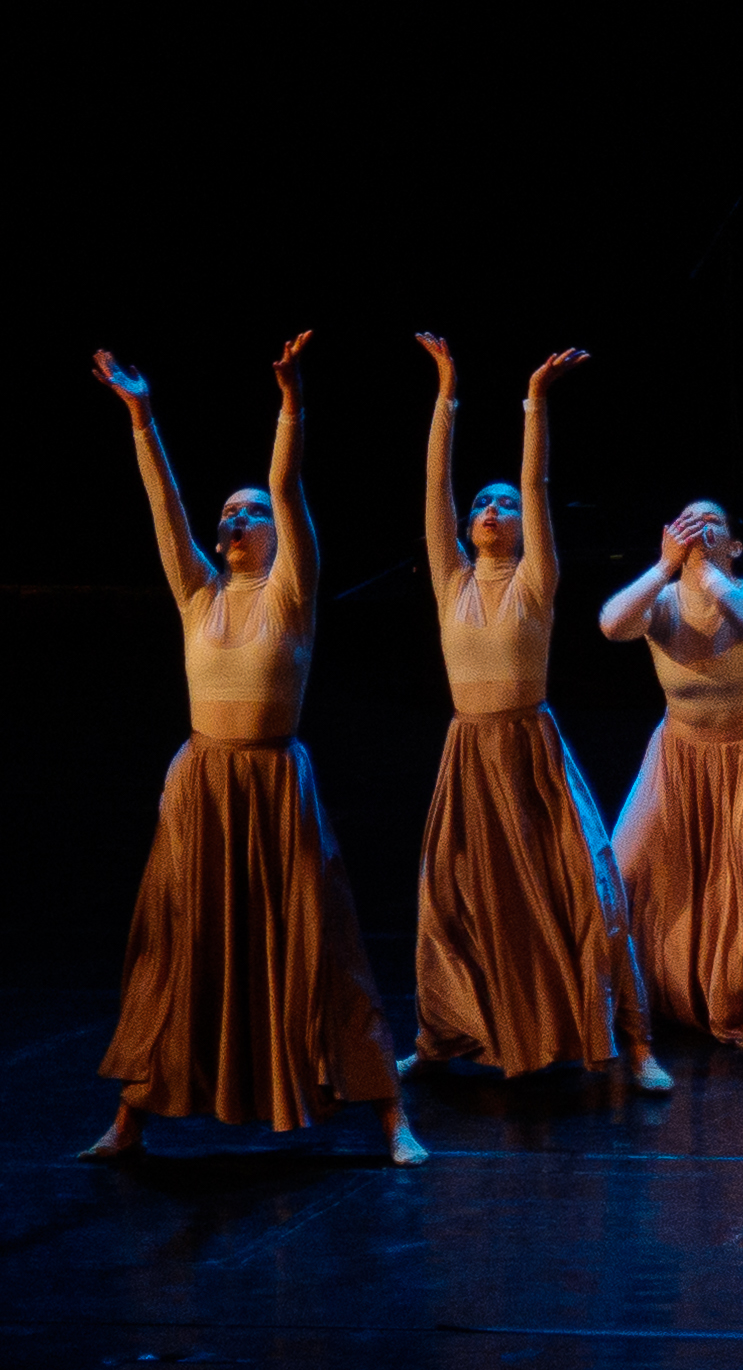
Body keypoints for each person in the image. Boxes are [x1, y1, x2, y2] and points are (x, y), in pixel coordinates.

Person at [84, 334, 416, 1163]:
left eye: (251, 512)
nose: (235, 519)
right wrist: (141, 417)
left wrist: (292, 406)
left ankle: (389, 1116)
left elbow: (287, 487)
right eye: (228, 512)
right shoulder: (198, 595)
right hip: (201, 786)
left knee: (320, 944)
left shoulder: (291, 595)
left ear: (276, 535)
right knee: (176, 947)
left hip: (274, 790)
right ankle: (130, 1120)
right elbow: (163, 505)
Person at [403, 334, 666, 1088]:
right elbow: (435, 484)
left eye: (504, 504)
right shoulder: (451, 579)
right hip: (468, 753)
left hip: (530, 749)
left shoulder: (535, 579)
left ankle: (634, 1042)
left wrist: (535, 403)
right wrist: (446, 394)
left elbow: (537, 482)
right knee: (451, 901)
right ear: (465, 528)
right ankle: (440, 1035)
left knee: (586, 889)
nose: (491, 510)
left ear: (523, 527)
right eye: (481, 505)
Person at [600, 500, 743, 1047]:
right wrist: (666, 565)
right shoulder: (662, 602)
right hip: (676, 759)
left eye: (713, 523)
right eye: (688, 521)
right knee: (620, 869)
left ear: (735, 545)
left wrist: (705, 572)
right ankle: (623, 1005)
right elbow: (611, 624)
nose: (699, 528)